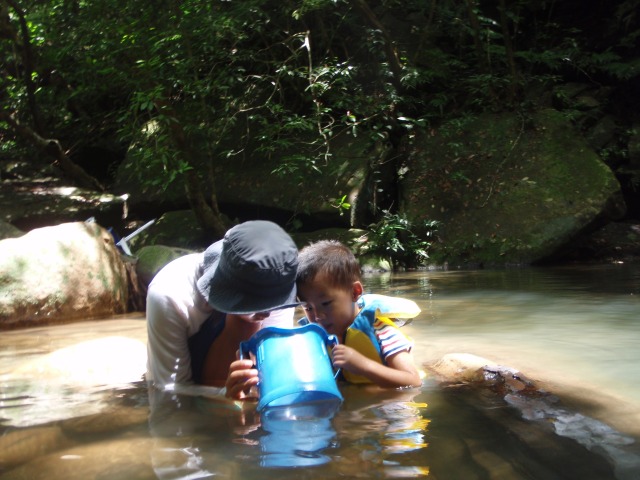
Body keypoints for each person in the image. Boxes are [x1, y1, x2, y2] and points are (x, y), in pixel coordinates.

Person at [145, 220, 299, 395]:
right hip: (185, 374)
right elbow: (170, 387)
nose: (268, 313)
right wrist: (225, 396)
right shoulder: (170, 293)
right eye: (258, 305)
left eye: (275, 303)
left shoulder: (277, 277)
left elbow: (278, 364)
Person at [296, 239, 422, 388]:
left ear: (355, 292)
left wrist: (363, 365)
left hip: (391, 404)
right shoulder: (315, 337)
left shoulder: (381, 331)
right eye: (308, 308)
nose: (317, 316)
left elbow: (413, 381)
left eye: (325, 304)